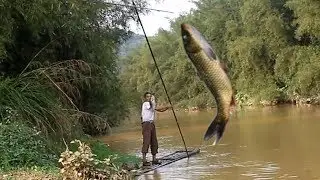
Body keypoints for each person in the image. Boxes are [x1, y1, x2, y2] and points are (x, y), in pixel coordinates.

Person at [141, 92, 171, 166]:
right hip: (146, 124)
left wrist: (167, 107)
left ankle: (154, 159)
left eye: (150, 97)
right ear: (145, 98)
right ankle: (144, 161)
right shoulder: (146, 104)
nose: (149, 98)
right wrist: (153, 100)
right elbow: (153, 107)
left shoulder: (152, 104)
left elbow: (159, 110)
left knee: (154, 141)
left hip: (152, 124)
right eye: (148, 97)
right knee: (146, 141)